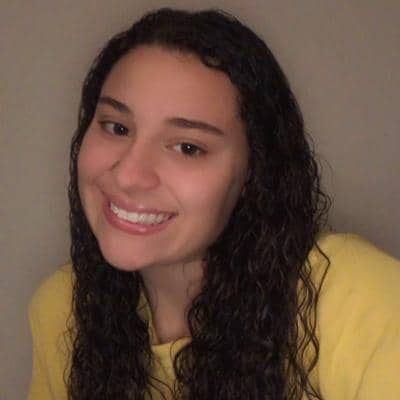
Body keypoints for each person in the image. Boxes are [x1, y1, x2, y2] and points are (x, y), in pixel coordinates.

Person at [28, 8, 400, 400]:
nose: (128, 176)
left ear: (254, 172)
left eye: (188, 148)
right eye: (117, 127)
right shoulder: (62, 308)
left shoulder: (363, 299)